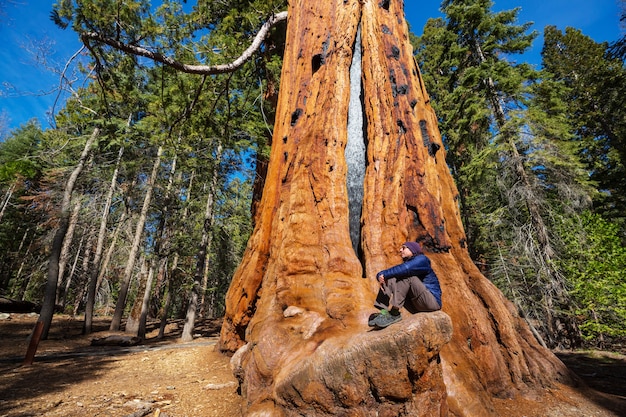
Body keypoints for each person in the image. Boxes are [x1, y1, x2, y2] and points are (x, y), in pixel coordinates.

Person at [368, 241, 442, 329]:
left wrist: (382, 274)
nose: (400, 250)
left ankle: (394, 313)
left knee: (406, 277)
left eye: (403, 248)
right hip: (417, 304)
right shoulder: (410, 263)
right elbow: (400, 270)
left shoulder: (422, 260)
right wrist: (383, 277)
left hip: (431, 303)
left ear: (413, 250)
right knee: (391, 278)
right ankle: (383, 312)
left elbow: (405, 268)